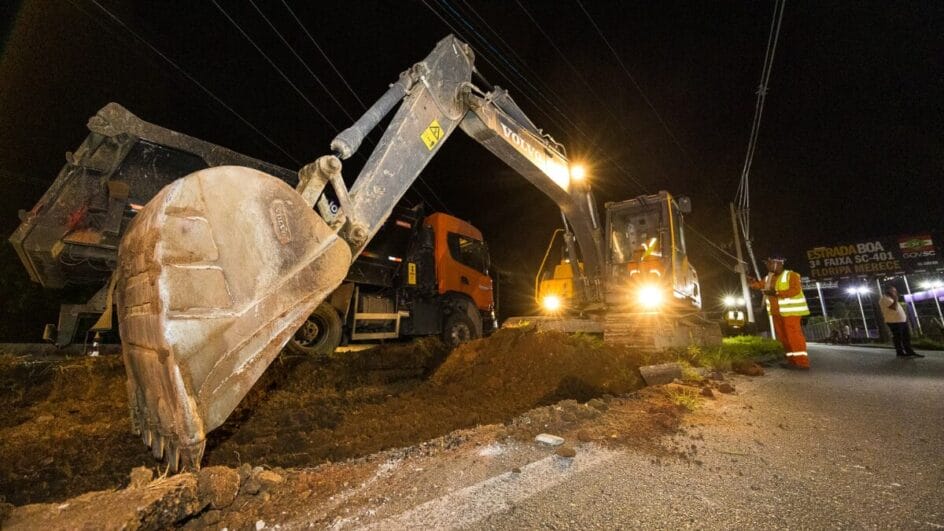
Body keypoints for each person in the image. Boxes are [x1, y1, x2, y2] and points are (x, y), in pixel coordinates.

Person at [750, 256, 811, 369]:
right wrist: (752, 283)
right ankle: (792, 361)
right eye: (766, 264)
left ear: (778, 263)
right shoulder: (768, 278)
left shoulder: (791, 275)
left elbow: (795, 290)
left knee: (793, 336)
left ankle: (802, 362)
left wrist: (777, 293)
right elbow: (759, 285)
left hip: (791, 312)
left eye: (769, 263)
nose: (767, 266)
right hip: (776, 313)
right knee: (784, 338)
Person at [880, 285, 924, 358]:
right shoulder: (885, 298)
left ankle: (909, 351)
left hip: (901, 320)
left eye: (895, 291)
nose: (895, 292)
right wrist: (895, 299)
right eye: (893, 290)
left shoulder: (891, 298)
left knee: (906, 337)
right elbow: (893, 307)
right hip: (894, 321)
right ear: (888, 291)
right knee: (898, 337)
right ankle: (900, 352)